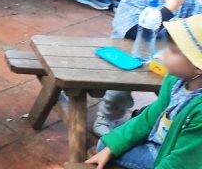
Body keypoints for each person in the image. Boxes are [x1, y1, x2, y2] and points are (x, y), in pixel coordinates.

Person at [93, 0, 202, 137]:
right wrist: (169, 10)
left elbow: (196, 24)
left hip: (167, 57)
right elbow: (132, 32)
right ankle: (107, 116)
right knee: (119, 90)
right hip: (127, 54)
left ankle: (162, 117)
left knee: (179, 87)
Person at [85, 13, 202, 169]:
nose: (161, 55)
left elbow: (182, 162)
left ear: (198, 67)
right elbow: (150, 116)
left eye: (173, 51)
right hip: (163, 140)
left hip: (172, 153)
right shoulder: (174, 81)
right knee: (106, 145)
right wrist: (112, 146)